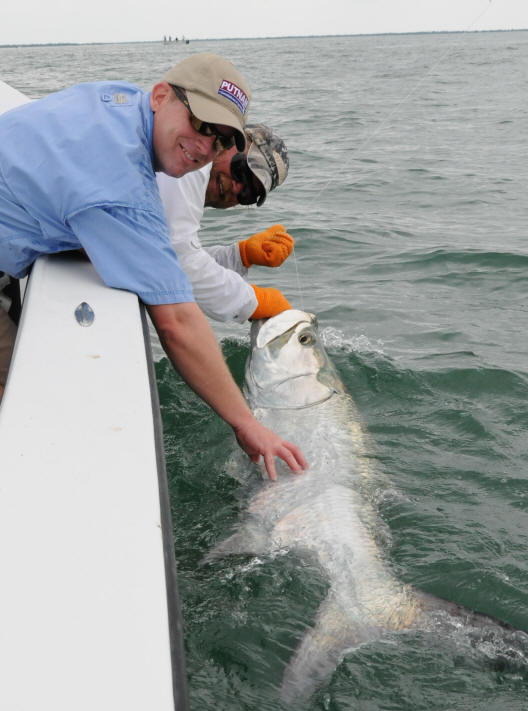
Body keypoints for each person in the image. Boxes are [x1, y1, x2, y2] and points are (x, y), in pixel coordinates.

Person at [0, 53, 307, 479]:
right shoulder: (122, 186)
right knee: (21, 398)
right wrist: (247, 423)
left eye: (219, 141)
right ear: (161, 95)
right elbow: (177, 321)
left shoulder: (119, 104)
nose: (204, 147)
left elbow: (160, 251)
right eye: (201, 125)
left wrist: (240, 256)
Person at [156, 123, 294, 324]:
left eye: (248, 193)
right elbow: (179, 261)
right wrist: (253, 303)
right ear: (230, 142)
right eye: (242, 170)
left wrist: (240, 255)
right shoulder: (192, 167)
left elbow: (167, 256)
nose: (237, 187)